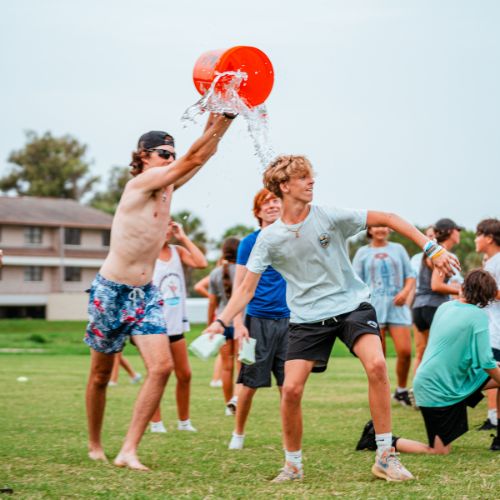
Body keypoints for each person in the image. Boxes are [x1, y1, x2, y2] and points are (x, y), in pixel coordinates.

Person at [204, 155, 458, 482]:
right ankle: (293, 465)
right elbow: (244, 290)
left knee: (377, 365)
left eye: (311, 177)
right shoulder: (268, 239)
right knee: (292, 390)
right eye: (303, 178)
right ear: (284, 186)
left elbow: (390, 218)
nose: (312, 182)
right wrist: (221, 320)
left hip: (351, 305)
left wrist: (431, 248)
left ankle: (385, 456)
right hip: (307, 318)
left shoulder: (328, 216)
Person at [84, 112, 235, 471]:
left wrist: (221, 118)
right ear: (143, 157)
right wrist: (223, 115)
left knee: (162, 367)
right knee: (101, 376)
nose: (170, 158)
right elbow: (194, 157)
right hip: (111, 291)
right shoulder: (140, 183)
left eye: (172, 153)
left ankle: (128, 450)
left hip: (145, 293)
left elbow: (202, 155)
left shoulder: (166, 186)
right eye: (163, 153)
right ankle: (94, 444)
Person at [356, 269, 500, 454]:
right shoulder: (478, 316)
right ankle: (377, 439)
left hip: (441, 380)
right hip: (437, 389)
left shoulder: (445, 307)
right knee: (438, 451)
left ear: (464, 287)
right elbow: (486, 362)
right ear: (486, 296)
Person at [228, 189, 289, 450]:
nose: (272, 205)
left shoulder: (291, 238)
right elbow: (239, 286)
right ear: (257, 211)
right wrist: (238, 323)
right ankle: (238, 434)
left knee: (288, 387)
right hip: (256, 321)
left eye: (276, 200)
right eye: (266, 202)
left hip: (289, 321)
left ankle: (290, 440)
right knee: (249, 384)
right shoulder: (248, 243)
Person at [150, 219, 208, 433]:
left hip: (176, 326)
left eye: (169, 226)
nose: (166, 231)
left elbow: (201, 263)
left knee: (185, 374)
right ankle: (155, 422)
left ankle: (184, 422)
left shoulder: (178, 251)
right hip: (153, 327)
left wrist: (183, 237)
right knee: (157, 374)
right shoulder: (146, 254)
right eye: (161, 225)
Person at [352, 227, 416, 406]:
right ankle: (381, 392)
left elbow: (410, 276)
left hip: (398, 306)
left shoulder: (398, 249)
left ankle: (401, 390)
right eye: (376, 226)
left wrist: (405, 292)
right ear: (370, 230)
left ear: (388, 229)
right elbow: (355, 281)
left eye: (383, 226)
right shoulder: (362, 252)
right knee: (378, 357)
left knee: (405, 351)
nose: (380, 230)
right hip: (373, 308)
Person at [411, 218, 463, 376]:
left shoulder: (434, 250)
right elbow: (436, 285)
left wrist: (460, 287)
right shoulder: (439, 252)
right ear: (449, 232)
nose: (459, 233)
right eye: (456, 230)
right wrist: (463, 292)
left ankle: (419, 392)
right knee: (442, 353)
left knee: (424, 353)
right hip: (432, 307)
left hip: (420, 307)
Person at [208, 237, 240, 415]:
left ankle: (228, 404)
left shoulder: (215, 273)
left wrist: (210, 323)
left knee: (226, 367)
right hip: (241, 322)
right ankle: (237, 398)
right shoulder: (244, 271)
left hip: (222, 322)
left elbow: (212, 303)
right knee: (240, 365)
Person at [475, 218, 500, 438]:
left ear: (489, 237)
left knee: (480, 379)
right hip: (491, 330)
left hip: (496, 333)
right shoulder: (491, 262)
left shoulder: (498, 262)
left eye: (478, 234)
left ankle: (460, 394)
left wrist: (481, 291)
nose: (475, 239)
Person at [194, 273, 223, 387]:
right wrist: (213, 298)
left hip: (222, 314)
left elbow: (198, 287)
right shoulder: (219, 272)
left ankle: (217, 379)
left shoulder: (218, 272)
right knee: (226, 351)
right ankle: (216, 379)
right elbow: (198, 286)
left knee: (224, 351)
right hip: (225, 314)